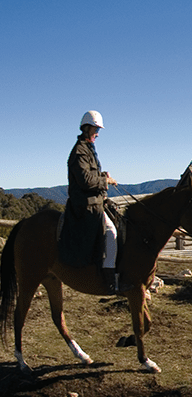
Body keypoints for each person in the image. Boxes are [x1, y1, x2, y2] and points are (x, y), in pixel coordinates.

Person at [63, 110, 120, 294]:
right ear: (87, 128)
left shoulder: (88, 148)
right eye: (96, 129)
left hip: (95, 201)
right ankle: (110, 281)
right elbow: (85, 180)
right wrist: (106, 181)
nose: (97, 133)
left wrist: (103, 175)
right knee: (111, 232)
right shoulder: (79, 150)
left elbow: (91, 174)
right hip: (85, 204)